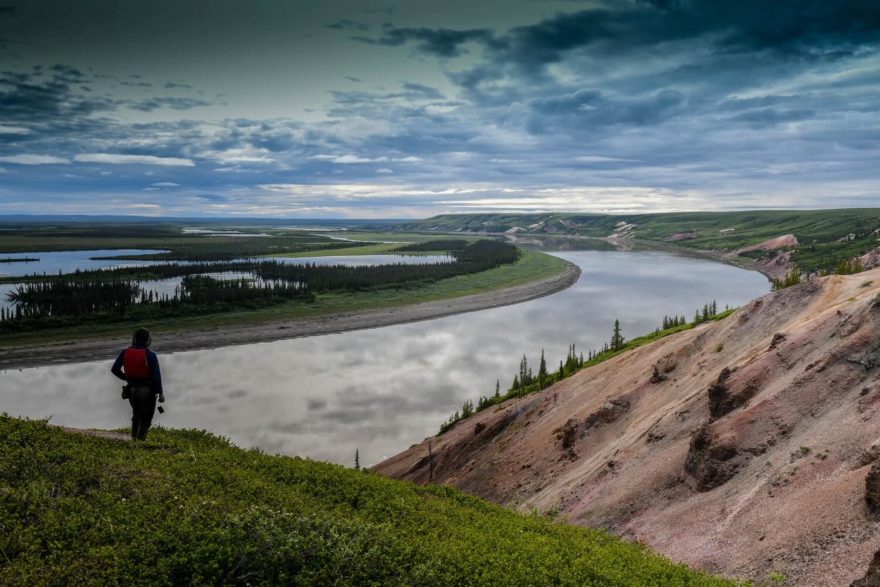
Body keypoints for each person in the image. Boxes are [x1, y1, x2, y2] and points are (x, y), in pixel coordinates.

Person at [111, 328, 165, 440]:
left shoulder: (125, 352)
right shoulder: (150, 354)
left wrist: (126, 378)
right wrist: (160, 393)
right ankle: (140, 442)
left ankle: (134, 440)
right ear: (147, 340)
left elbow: (115, 369)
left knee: (136, 415)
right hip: (146, 391)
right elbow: (156, 376)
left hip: (131, 390)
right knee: (146, 418)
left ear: (135, 339)